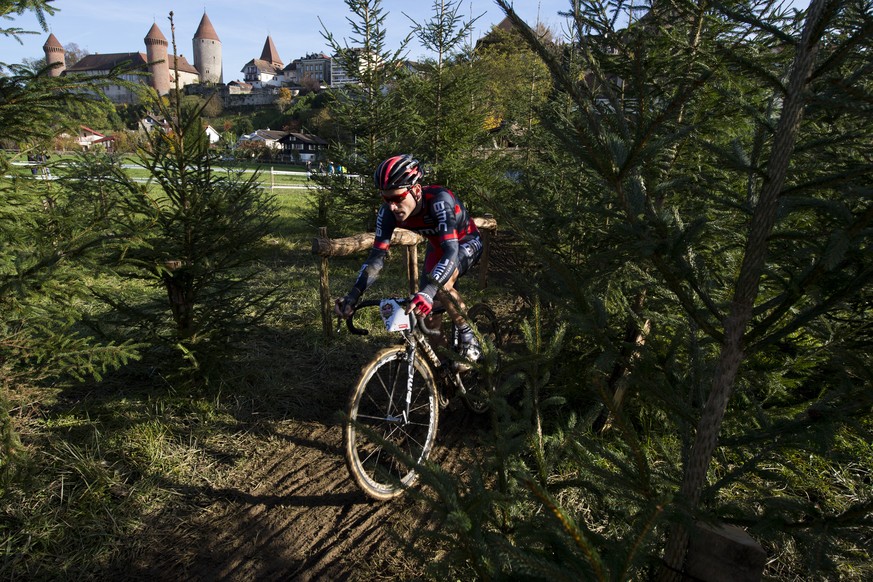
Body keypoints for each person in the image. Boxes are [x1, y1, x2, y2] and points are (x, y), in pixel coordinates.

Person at [335, 154, 484, 367]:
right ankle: (445, 371)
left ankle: (469, 336)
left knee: (439, 287)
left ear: (415, 190)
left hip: (465, 242)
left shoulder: (440, 200)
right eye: (386, 199)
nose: (393, 206)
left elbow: (451, 250)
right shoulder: (387, 213)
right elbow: (376, 259)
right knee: (429, 319)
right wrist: (353, 295)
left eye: (397, 198)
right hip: (438, 247)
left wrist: (428, 291)